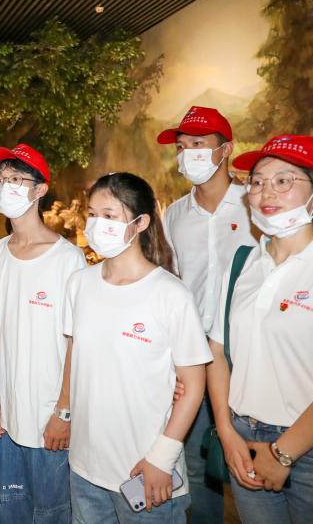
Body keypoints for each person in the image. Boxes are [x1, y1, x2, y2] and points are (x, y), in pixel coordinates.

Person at [207, 135, 313, 523]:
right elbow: (217, 352)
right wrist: (226, 431)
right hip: (244, 441)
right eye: (257, 181)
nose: (266, 191)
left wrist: (282, 453)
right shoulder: (243, 265)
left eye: (283, 180)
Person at [63, 172, 211, 522]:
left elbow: (193, 384)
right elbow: (74, 354)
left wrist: (163, 457)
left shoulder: (170, 294)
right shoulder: (79, 284)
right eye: (92, 214)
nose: (97, 224)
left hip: (146, 472)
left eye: (110, 215)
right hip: (84, 468)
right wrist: (63, 412)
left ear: (141, 222)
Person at [0, 145, 87, 523]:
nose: (4, 187)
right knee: (9, 509)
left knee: (52, 513)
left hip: (49, 414)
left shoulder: (68, 259)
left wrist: (64, 411)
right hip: (7, 415)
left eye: (16, 179)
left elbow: (75, 341)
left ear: (40, 189)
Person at [156, 105, 254, 521]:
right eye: (181, 147)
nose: (187, 153)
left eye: (198, 143)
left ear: (225, 149)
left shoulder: (254, 207)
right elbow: (172, 283)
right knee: (197, 464)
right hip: (194, 356)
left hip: (248, 354)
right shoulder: (175, 215)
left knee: (253, 459)